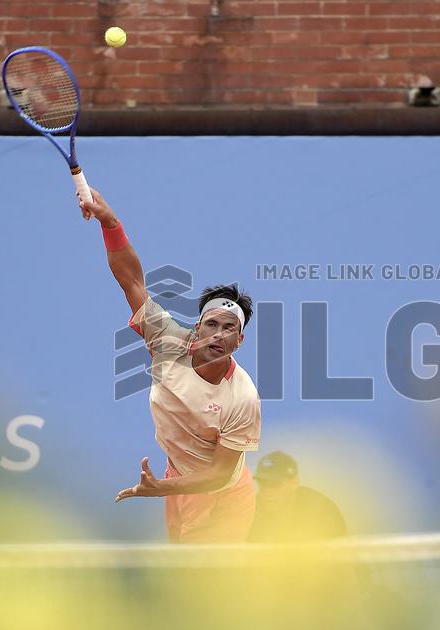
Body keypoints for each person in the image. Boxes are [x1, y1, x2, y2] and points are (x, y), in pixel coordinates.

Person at [79, 188, 262, 543]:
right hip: (179, 480)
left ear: (239, 341)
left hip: (222, 495)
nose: (218, 335)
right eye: (212, 324)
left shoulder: (243, 397)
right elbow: (131, 280)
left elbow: (220, 475)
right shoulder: (167, 342)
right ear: (198, 328)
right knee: (179, 577)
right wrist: (110, 223)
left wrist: (161, 488)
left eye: (230, 329)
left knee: (205, 586)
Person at [248, 451, 347, 542]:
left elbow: (342, 555)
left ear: (294, 483)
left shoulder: (321, 509)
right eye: (263, 484)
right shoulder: (252, 510)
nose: (267, 492)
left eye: (275, 484)